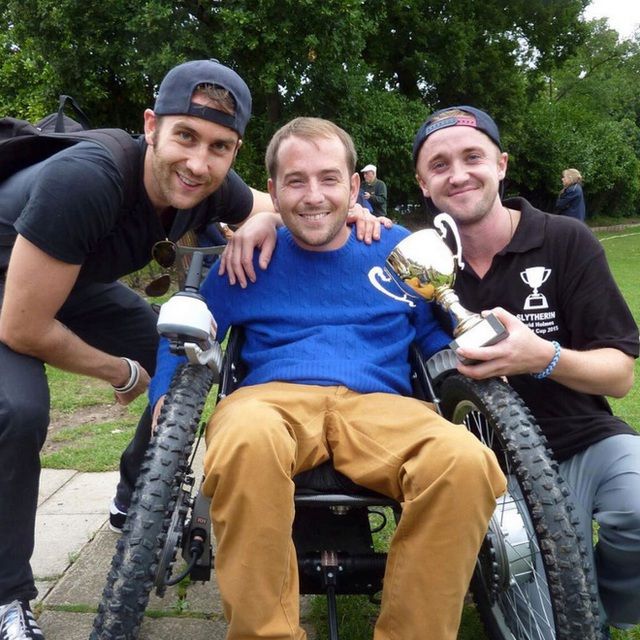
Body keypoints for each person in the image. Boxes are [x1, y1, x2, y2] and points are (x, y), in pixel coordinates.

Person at [0, 60, 383, 640]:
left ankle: (137, 496)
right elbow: (23, 327)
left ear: (234, 150)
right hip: (13, 294)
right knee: (18, 409)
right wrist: (121, 373)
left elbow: (275, 204)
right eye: (185, 136)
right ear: (151, 126)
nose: (198, 163)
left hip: (71, 281)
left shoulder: (209, 186)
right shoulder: (88, 180)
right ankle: (9, 596)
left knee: (169, 354)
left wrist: (318, 215)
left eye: (218, 146)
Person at [149, 116, 506, 640]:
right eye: (296, 181)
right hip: (271, 401)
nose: (314, 196)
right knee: (245, 438)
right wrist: (163, 398)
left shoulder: (397, 248)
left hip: (383, 406)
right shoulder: (249, 258)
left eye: (329, 179)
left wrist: (475, 363)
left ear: (354, 187)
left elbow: (435, 341)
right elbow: (187, 330)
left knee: (465, 462)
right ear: (273, 191)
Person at [412, 105, 640, 637]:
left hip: (585, 439)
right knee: (544, 627)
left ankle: (607, 602)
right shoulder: (420, 266)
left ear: (501, 165)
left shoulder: (566, 240)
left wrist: (544, 357)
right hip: (488, 469)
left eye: (473, 157)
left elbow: (619, 375)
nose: (458, 174)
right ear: (424, 184)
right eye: (439, 165)